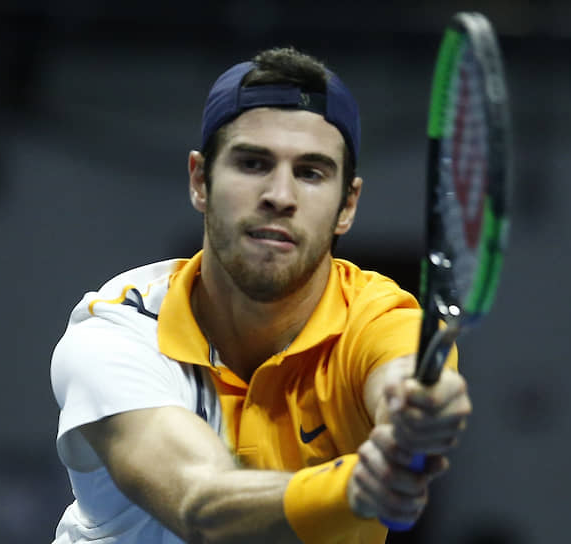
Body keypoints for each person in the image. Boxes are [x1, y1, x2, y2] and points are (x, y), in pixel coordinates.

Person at [50, 46, 472, 544]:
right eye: (252, 163)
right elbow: (199, 503)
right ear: (200, 181)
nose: (280, 196)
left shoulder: (377, 317)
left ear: (347, 205)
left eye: (311, 172)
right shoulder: (119, 332)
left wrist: (416, 409)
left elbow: (401, 375)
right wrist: (353, 487)